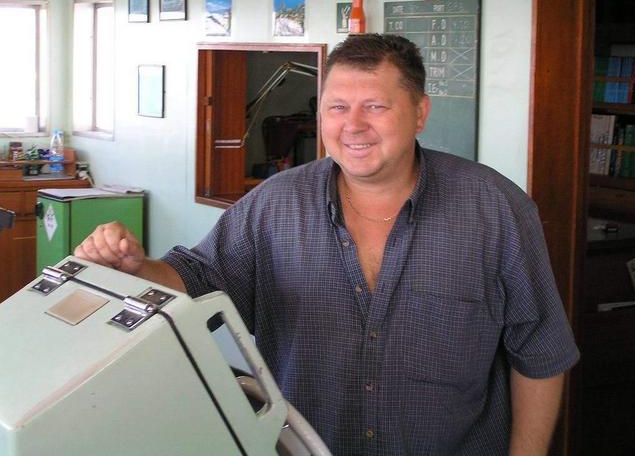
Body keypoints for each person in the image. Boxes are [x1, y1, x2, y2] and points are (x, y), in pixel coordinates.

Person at [75, 33, 579, 455]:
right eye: (337, 106)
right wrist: (137, 268)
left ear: (420, 112)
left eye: (375, 106)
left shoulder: (495, 209)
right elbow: (198, 278)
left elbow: (539, 353)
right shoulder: (274, 204)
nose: (353, 125)